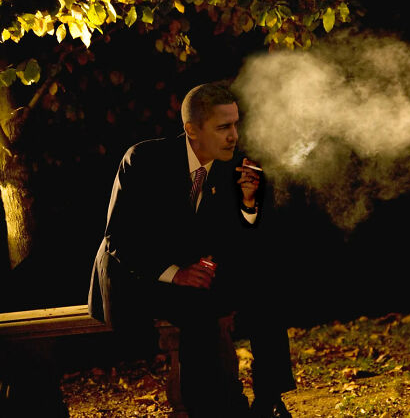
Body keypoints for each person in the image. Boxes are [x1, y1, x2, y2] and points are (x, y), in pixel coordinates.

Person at [88, 82, 295, 417]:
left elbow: (244, 240)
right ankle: (211, 409)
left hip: (197, 269)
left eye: (236, 124)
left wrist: (248, 204)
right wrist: (177, 274)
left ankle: (268, 400)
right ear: (192, 130)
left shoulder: (235, 166)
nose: (234, 136)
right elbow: (120, 237)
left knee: (266, 290)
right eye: (223, 127)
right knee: (199, 309)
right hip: (140, 274)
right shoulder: (143, 160)